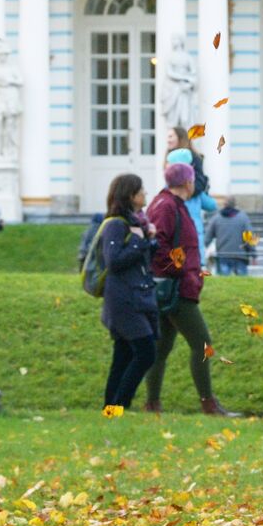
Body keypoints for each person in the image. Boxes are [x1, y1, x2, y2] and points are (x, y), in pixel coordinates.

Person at [144, 161, 241, 418]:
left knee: (161, 348)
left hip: (174, 285)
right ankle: (208, 403)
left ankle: (152, 403)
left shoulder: (167, 203)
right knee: (203, 344)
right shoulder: (167, 206)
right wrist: (180, 270)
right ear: (187, 183)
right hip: (177, 288)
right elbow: (159, 245)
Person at [98, 173, 160, 411]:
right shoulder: (116, 224)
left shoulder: (137, 224)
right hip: (123, 299)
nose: (145, 193)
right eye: (141, 190)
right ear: (130, 195)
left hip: (137, 295)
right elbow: (113, 261)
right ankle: (120, 404)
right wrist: (138, 241)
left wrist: (148, 240)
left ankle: (111, 409)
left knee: (123, 355)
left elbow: (139, 259)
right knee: (146, 352)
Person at [166, 147, 217, 267]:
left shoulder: (168, 189)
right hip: (195, 233)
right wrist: (205, 192)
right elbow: (212, 205)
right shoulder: (196, 191)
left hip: (177, 235)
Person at [207, 196, 256, 275]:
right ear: (235, 204)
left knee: (223, 284)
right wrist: (253, 254)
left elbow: (207, 238)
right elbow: (249, 238)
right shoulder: (243, 218)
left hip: (223, 256)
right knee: (242, 284)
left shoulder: (216, 219)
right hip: (240, 256)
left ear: (224, 204)